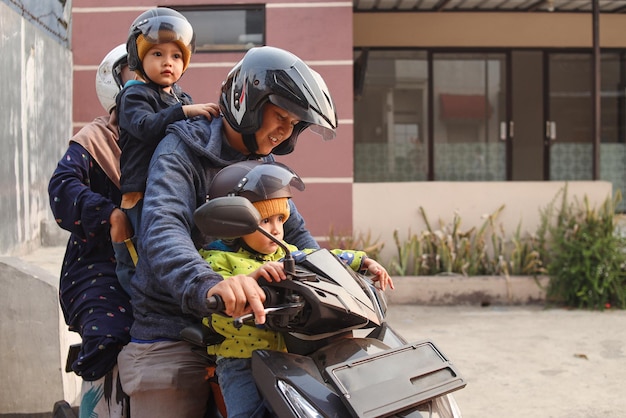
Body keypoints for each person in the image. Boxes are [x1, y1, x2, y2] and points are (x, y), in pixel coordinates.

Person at [117, 45, 337, 418]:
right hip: (175, 325)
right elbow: (163, 228)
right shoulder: (181, 151)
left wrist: (337, 272)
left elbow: (293, 234)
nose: (286, 130)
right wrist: (208, 283)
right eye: (281, 115)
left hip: (253, 328)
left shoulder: (262, 163)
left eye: (295, 124)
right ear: (247, 103)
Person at [199, 160, 394, 417]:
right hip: (241, 360)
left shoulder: (285, 253)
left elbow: (318, 258)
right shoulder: (216, 260)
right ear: (235, 227)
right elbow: (213, 306)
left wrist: (361, 261)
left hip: (291, 356)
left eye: (281, 218)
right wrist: (252, 281)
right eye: (265, 220)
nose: (277, 229)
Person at [48, 44, 135, 418]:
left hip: (157, 263)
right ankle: (91, 409)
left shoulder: (175, 136)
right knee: (108, 334)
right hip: (97, 265)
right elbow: (62, 187)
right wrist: (110, 215)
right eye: (136, 73)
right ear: (114, 82)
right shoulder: (94, 140)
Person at [112, 7, 220, 294]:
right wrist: (183, 112)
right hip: (142, 191)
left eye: (175, 56)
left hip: (175, 187)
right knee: (139, 253)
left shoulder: (181, 97)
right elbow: (146, 127)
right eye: (157, 54)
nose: (167, 63)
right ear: (139, 58)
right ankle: (137, 302)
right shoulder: (134, 94)